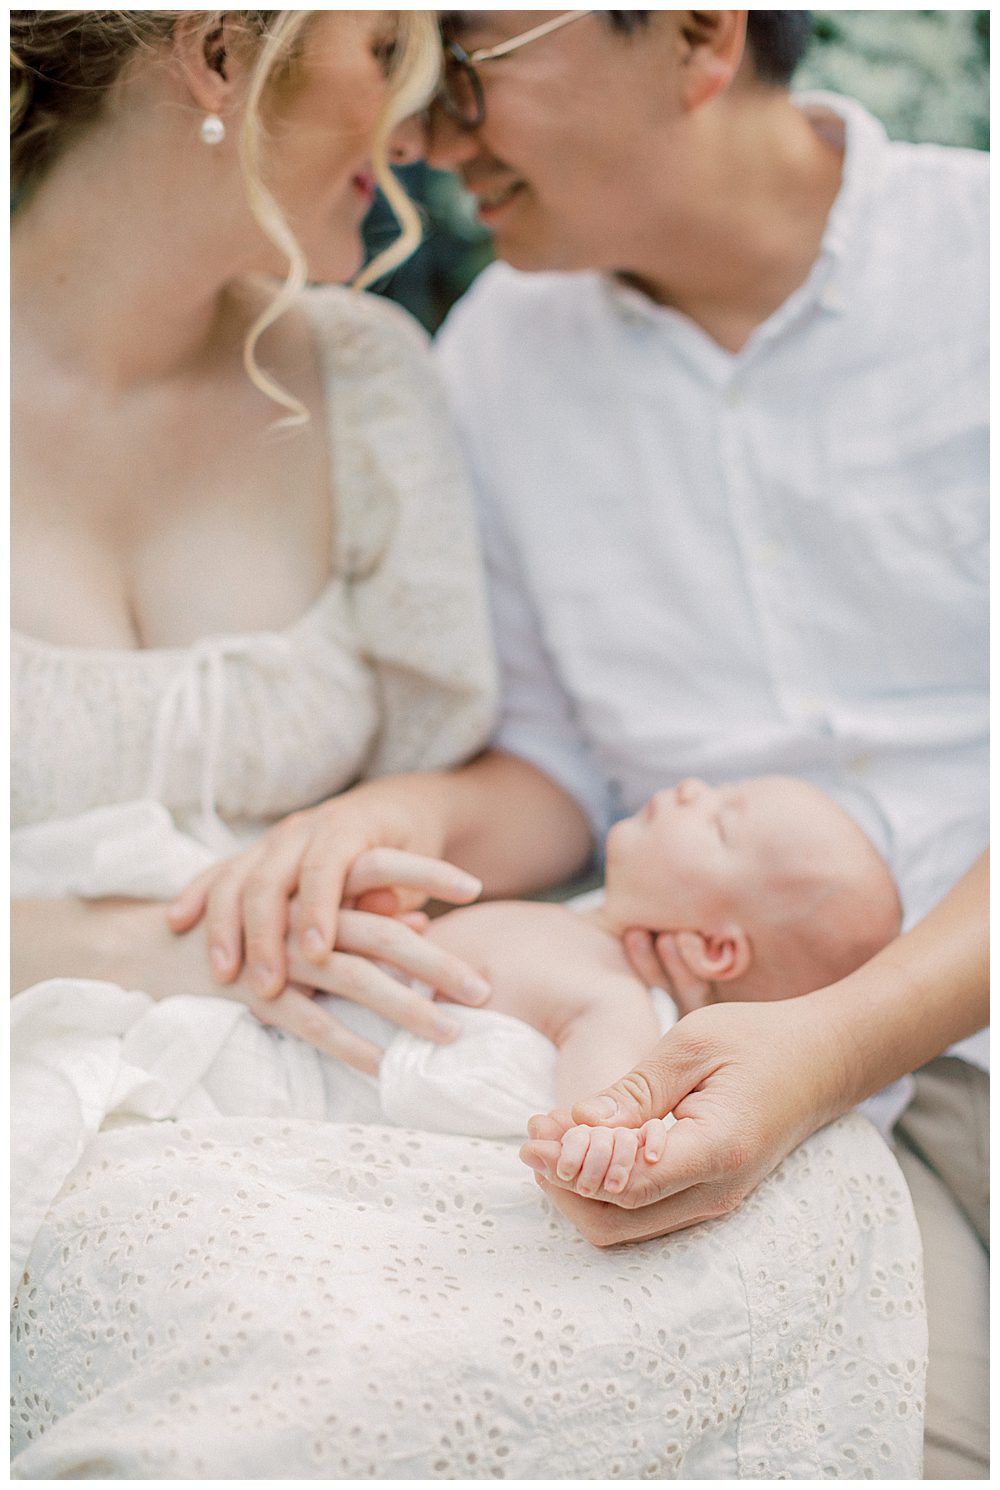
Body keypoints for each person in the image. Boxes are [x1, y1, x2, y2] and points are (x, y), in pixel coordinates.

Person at [176, 11, 988, 1477]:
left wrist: (823, 1046)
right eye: (411, 76)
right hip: (695, 1047)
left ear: (692, 34)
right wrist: (390, 816)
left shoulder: (976, 265)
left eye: (467, 61)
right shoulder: (495, 358)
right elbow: (553, 761)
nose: (418, 134)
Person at [11, 8, 501, 1072]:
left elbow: (496, 780)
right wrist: (139, 948)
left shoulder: (369, 377)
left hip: (337, 1070)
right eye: (383, 55)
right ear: (222, 53)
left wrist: (381, 823)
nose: (415, 139)